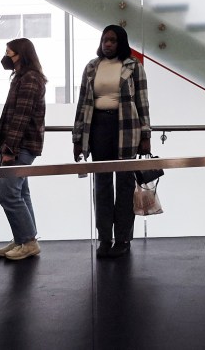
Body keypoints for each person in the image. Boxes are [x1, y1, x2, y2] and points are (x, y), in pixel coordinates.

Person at [73, 24, 152, 259]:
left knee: (126, 185)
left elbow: (143, 102)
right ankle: (105, 238)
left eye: (112, 40)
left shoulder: (133, 66)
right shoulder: (92, 66)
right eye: (105, 40)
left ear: (121, 43)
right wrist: (78, 139)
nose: (107, 44)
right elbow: (82, 104)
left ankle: (123, 239)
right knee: (102, 185)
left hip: (127, 128)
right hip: (98, 128)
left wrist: (145, 135)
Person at [0, 38, 46, 261]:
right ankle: (23, 238)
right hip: (19, 145)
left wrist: (9, 148)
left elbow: (21, 117)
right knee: (21, 193)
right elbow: (10, 115)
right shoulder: (22, 78)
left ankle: (28, 241)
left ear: (21, 54)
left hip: (21, 147)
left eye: (9, 53)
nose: (6, 57)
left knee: (9, 195)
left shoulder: (30, 79)